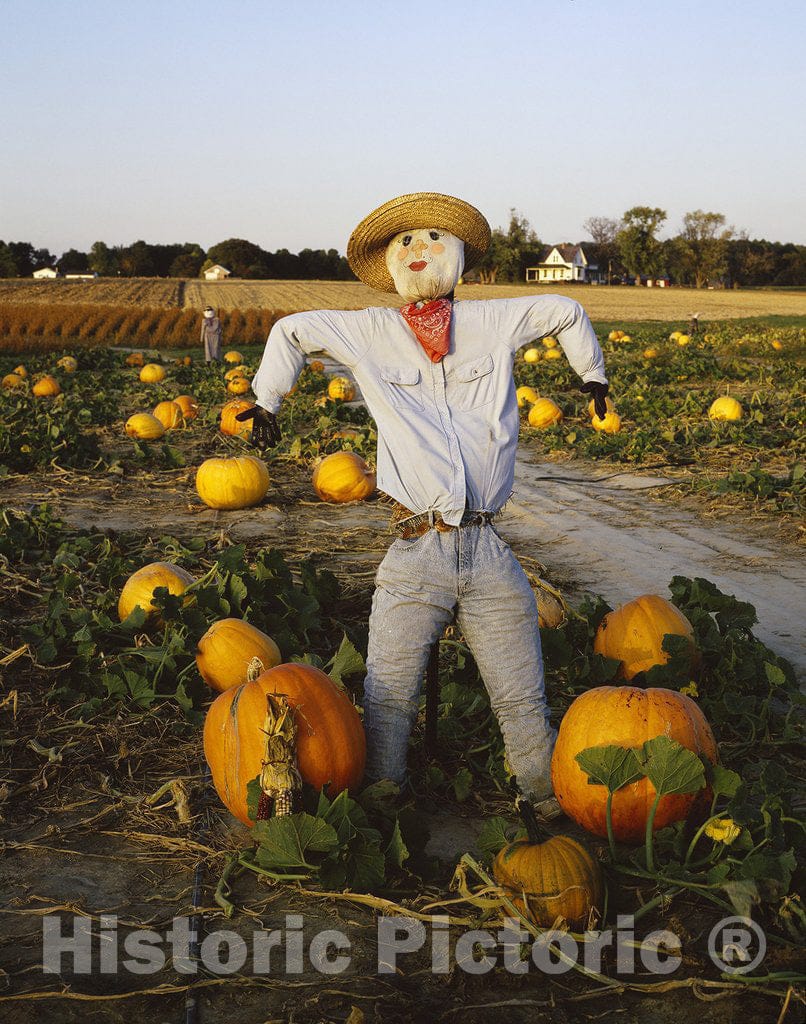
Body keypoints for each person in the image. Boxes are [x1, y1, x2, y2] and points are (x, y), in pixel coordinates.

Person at [239, 192, 609, 819]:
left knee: (521, 695)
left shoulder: (493, 325)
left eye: (434, 237)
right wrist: (267, 398)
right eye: (404, 242)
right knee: (389, 696)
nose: (418, 250)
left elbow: (565, 308)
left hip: (487, 548)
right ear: (387, 262)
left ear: (459, 253)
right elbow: (290, 330)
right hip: (415, 548)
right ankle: (384, 799)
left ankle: (546, 800)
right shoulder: (369, 332)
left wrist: (591, 373)